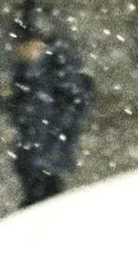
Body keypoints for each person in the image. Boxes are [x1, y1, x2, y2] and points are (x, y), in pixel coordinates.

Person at [9, 24, 94, 204]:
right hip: (34, 152)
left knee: (47, 199)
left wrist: (60, 122)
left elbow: (80, 98)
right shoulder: (24, 73)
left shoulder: (56, 67)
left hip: (50, 149)